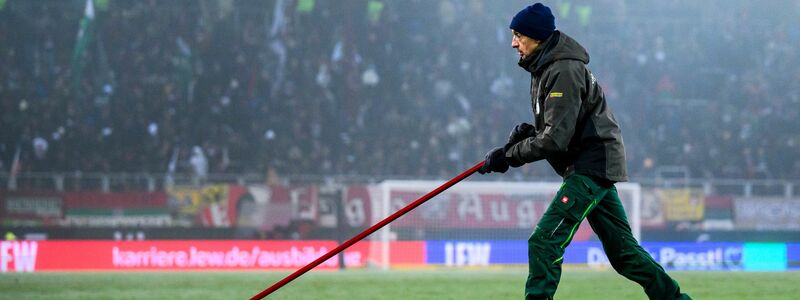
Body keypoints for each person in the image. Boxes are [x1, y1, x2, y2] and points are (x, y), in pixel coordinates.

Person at [478, 3, 691, 300]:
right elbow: (558, 126)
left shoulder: (562, 69)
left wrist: (509, 156)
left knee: (544, 241)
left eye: (518, 35)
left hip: (590, 166)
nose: (513, 42)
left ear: (537, 36)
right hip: (594, 164)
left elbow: (555, 139)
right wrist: (525, 136)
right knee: (624, 253)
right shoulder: (545, 66)